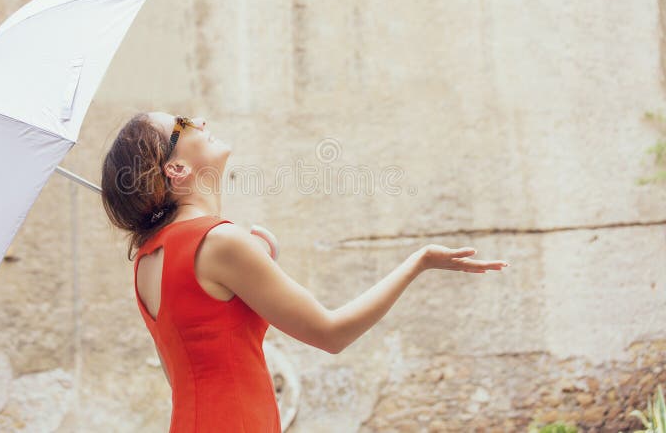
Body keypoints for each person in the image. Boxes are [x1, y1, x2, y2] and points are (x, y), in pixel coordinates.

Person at [100, 112, 509, 432]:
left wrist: (255, 273)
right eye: (183, 123)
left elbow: (194, 370)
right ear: (175, 170)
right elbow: (331, 333)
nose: (200, 121)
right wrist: (419, 262)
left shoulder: (147, 261)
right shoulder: (221, 243)